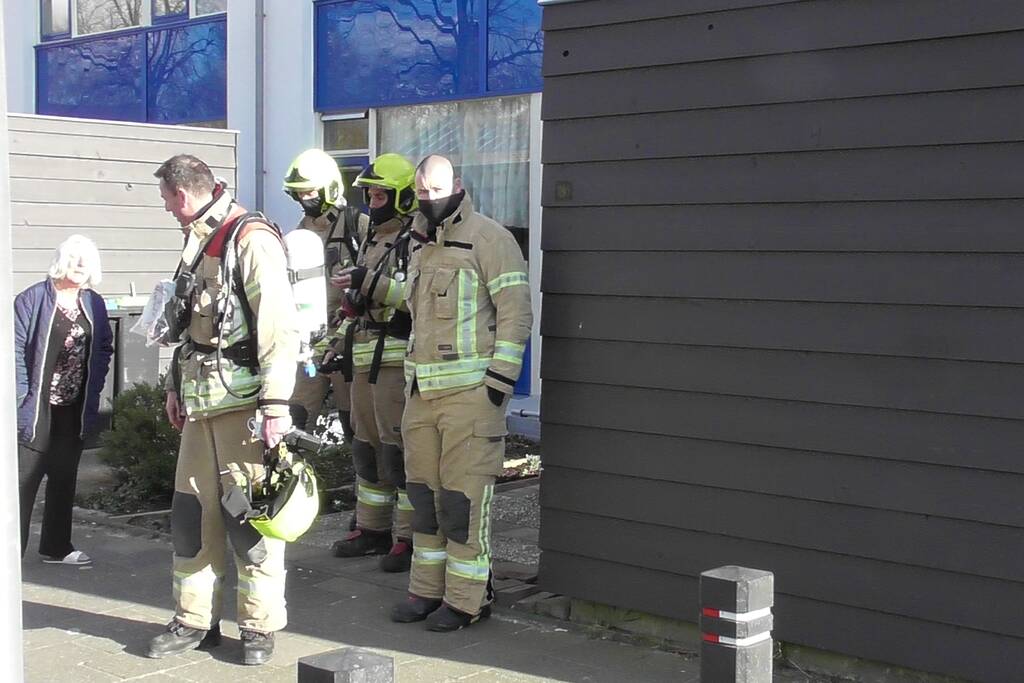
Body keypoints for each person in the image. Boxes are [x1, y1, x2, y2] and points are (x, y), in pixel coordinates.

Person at [147, 154, 298, 665]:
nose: (167, 210)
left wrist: (277, 403)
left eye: (167, 200)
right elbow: (188, 325)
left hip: (245, 406)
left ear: (185, 194)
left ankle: (258, 627)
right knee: (192, 516)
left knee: (247, 521)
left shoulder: (249, 238)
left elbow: (278, 326)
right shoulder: (197, 243)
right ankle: (193, 620)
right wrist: (173, 386)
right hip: (200, 404)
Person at [391, 155, 532, 632]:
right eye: (422, 192)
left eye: (436, 189)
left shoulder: (491, 239)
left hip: (471, 397)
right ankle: (427, 592)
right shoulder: (418, 245)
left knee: (462, 502)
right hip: (421, 395)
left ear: (457, 185)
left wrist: (499, 383)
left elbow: (516, 313)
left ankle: (469, 599)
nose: (429, 199)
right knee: (423, 501)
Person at [328, 153, 417, 572]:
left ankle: (407, 537)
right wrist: (334, 341)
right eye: (369, 192)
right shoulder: (371, 238)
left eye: (381, 193)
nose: (373, 200)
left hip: (396, 361)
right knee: (366, 449)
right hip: (363, 358)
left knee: (399, 452)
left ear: (403, 196)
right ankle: (372, 529)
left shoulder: (417, 238)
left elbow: (412, 297)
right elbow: (359, 303)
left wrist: (371, 282)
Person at [15, 235, 113, 565]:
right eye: (76, 260)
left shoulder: (94, 303)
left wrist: (95, 387)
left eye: (88, 262)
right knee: (21, 484)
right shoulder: (32, 299)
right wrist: (20, 395)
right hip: (36, 407)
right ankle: (11, 553)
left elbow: (102, 348)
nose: (82, 268)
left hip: (73, 407)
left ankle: (56, 548)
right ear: (63, 260)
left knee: (63, 476)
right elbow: (13, 349)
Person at [281, 149, 363, 440]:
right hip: (309, 345)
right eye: (299, 194)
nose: (305, 199)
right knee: (294, 422)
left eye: (311, 192)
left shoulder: (357, 227)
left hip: (346, 344)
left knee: (356, 427)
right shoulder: (297, 237)